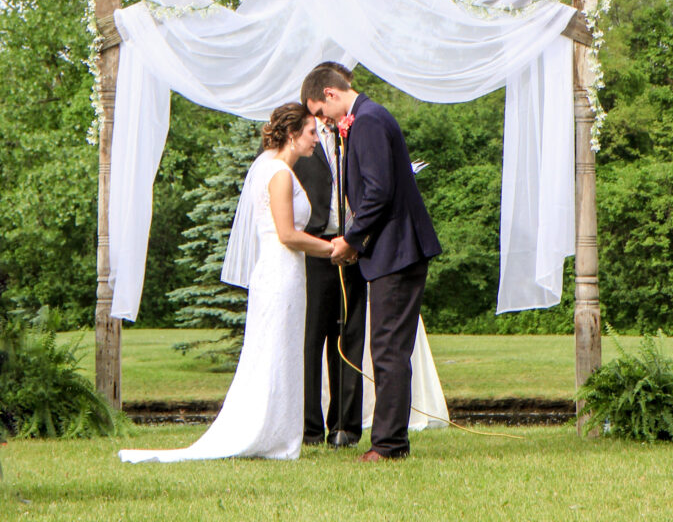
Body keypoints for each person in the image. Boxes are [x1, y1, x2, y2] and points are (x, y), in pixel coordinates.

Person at [119, 103, 333, 463]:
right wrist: (332, 249)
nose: (316, 140)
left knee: (277, 348)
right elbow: (287, 234)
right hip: (282, 272)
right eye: (312, 133)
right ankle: (274, 437)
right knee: (278, 349)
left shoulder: (267, 167)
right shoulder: (279, 173)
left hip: (279, 272)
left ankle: (276, 432)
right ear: (293, 135)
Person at [301, 65, 442, 461]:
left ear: (331, 94)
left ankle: (389, 444)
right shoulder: (365, 120)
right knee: (388, 348)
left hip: (397, 252)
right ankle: (390, 440)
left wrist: (351, 239)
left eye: (321, 112)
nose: (324, 122)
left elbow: (378, 192)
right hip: (390, 251)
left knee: (388, 350)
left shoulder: (368, 122)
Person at [294, 63, 366, 447]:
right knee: (311, 340)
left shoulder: (355, 128)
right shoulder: (298, 136)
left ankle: (346, 428)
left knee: (349, 336)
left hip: (352, 246)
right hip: (314, 246)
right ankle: (309, 428)